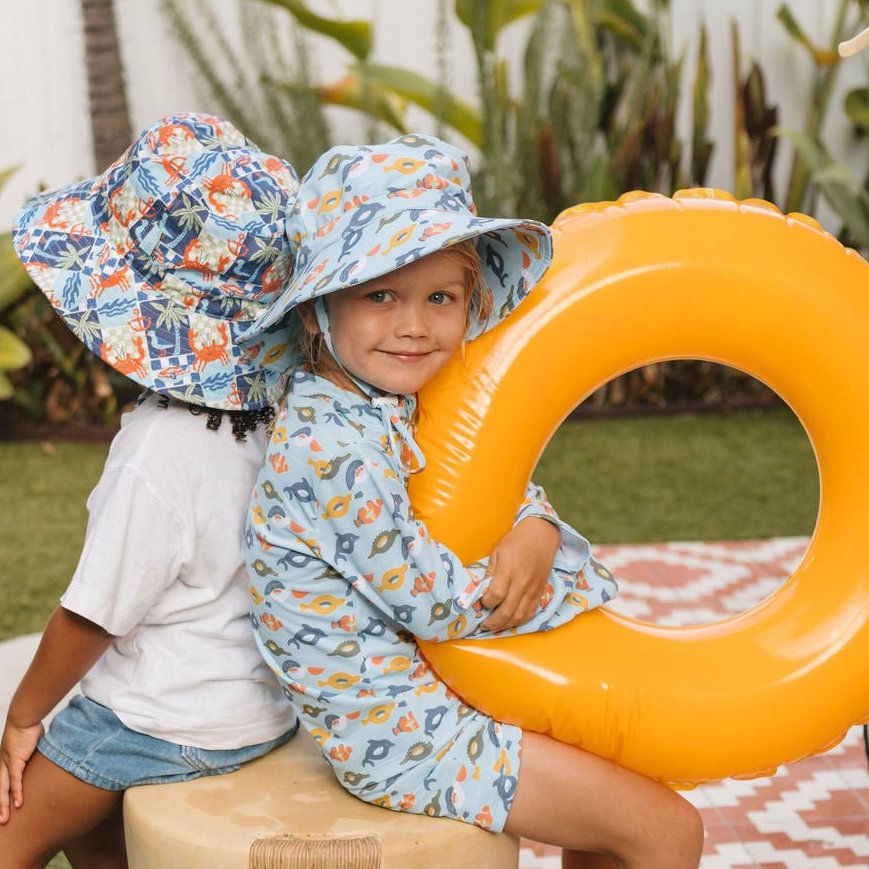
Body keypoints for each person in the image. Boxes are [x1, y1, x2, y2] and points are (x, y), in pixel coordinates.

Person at [245, 134, 704, 869]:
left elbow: (476, 486)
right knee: (666, 829)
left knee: (625, 786)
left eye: (439, 298)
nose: (414, 324)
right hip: (401, 735)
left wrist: (536, 523)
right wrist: (546, 563)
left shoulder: (374, 400)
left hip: (434, 696)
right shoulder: (330, 448)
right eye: (379, 293)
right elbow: (437, 601)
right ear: (316, 310)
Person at [0, 114, 301, 869]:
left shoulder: (161, 451)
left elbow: (91, 615)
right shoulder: (285, 415)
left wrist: (25, 713)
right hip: (259, 713)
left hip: (156, 721)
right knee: (101, 835)